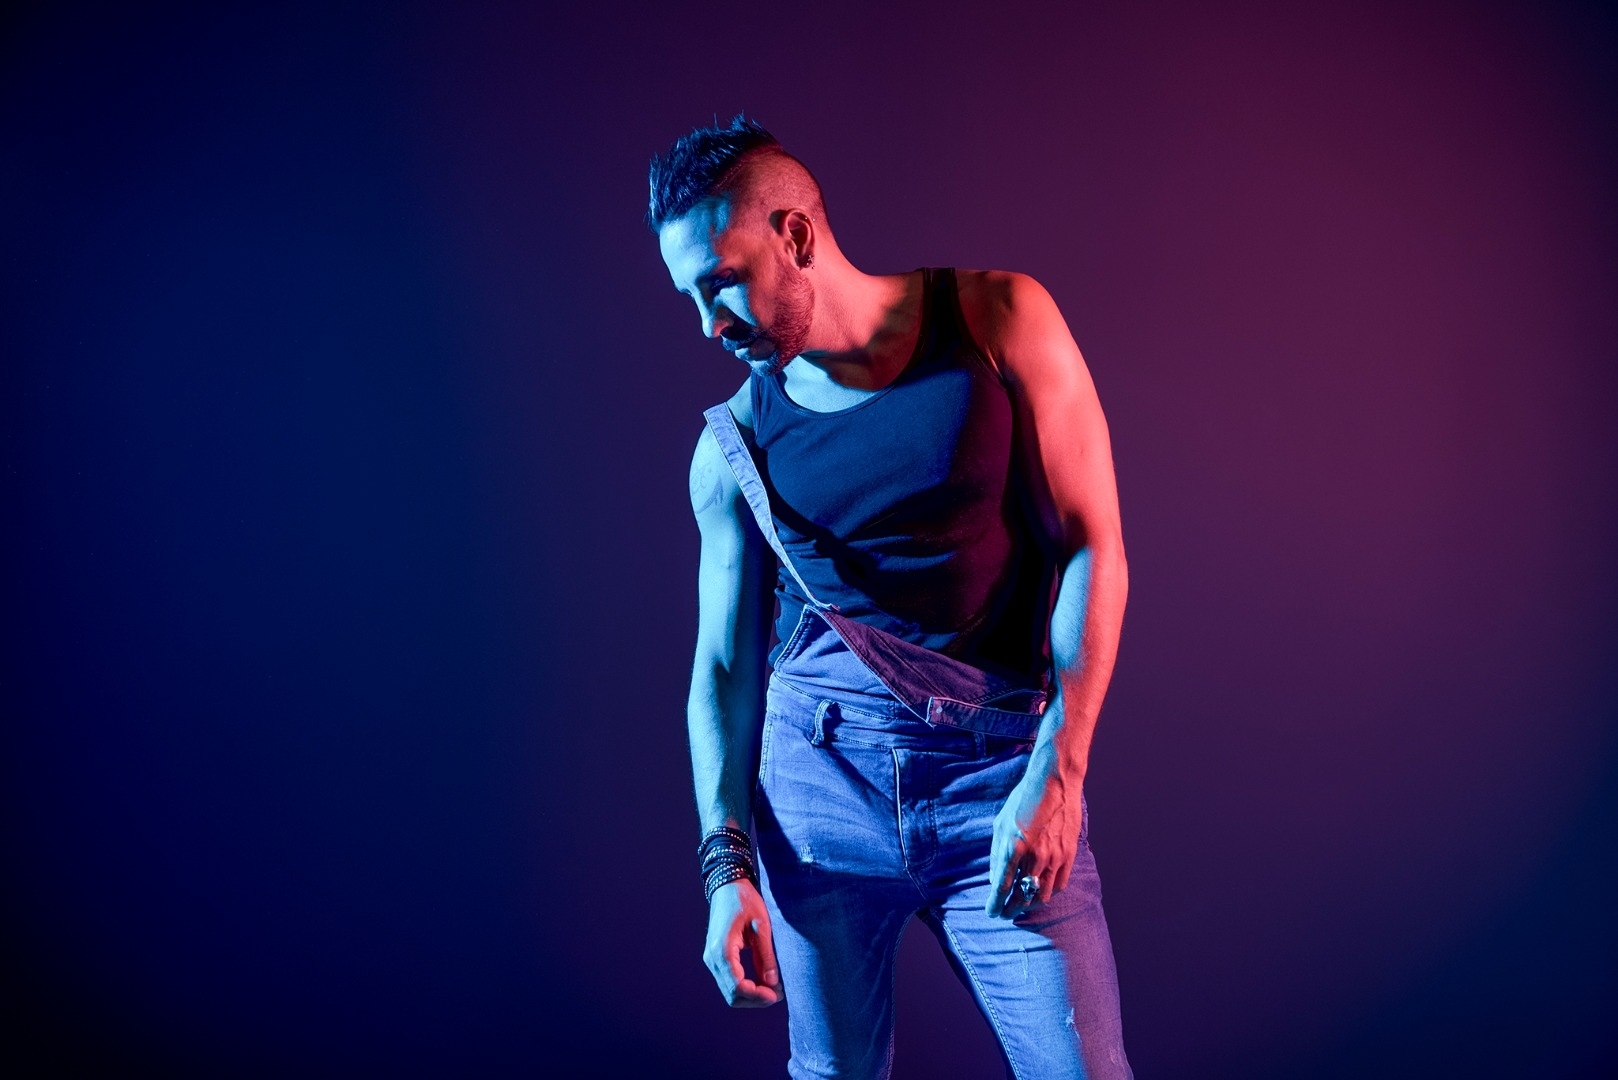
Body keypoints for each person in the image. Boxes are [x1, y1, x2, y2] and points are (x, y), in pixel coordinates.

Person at [652, 116, 1133, 1080]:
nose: (709, 324)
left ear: (796, 237)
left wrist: (1061, 771)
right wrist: (725, 870)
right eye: (690, 298)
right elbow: (724, 666)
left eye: (721, 281)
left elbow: (1092, 548)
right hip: (819, 786)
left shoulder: (997, 320)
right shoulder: (731, 448)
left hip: (997, 779)